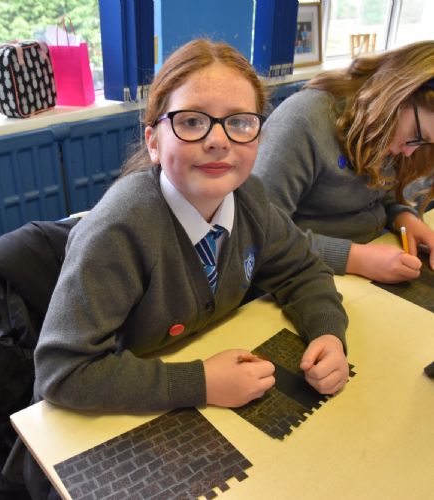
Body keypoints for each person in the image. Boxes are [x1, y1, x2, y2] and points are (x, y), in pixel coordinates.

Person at [34, 39, 349, 415]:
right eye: (191, 122)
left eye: (239, 122)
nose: (218, 141)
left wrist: (327, 331)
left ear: (258, 138)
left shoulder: (250, 198)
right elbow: (63, 372)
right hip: (112, 415)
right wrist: (201, 383)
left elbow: (303, 270)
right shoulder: (119, 231)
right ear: (153, 142)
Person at [253, 40, 434, 284]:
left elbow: (382, 192)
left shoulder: (387, 128)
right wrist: (356, 259)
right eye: (417, 134)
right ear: (395, 95)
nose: (409, 153)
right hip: (297, 275)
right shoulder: (304, 120)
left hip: (364, 262)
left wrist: (404, 218)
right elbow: (259, 234)